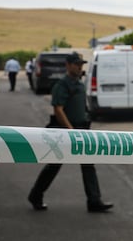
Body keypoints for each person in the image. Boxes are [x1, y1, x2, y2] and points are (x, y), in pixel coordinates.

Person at [28, 52, 113, 213]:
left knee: (88, 164)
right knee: (54, 165)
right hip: (66, 132)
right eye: (76, 64)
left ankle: (94, 201)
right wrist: (70, 131)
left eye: (81, 64)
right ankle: (35, 195)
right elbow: (58, 110)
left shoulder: (79, 84)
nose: (79, 67)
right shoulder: (62, 85)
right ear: (67, 65)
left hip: (80, 129)